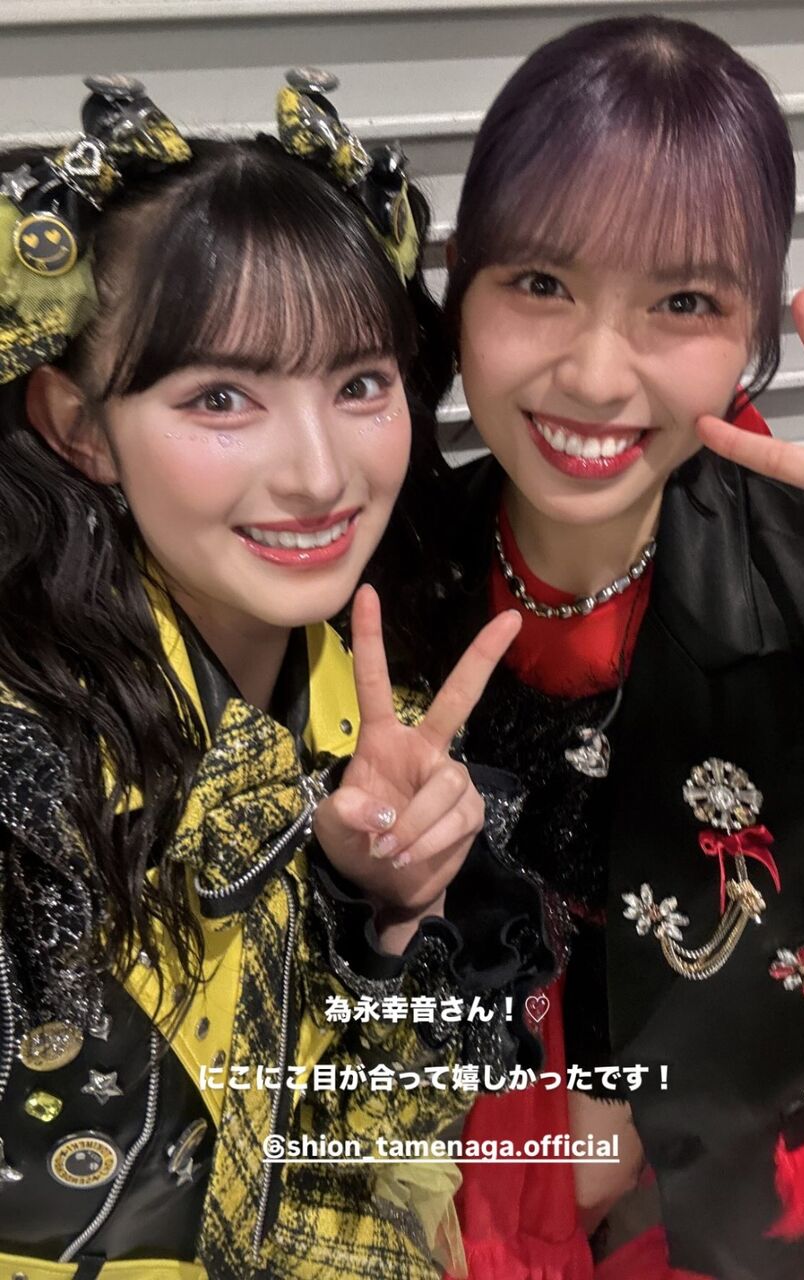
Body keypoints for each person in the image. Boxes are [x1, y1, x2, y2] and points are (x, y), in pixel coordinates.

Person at [0, 73, 553, 1278]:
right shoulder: (21, 776)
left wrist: (394, 911)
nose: (318, 474)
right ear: (79, 427)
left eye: (360, 384)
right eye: (221, 396)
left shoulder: (388, 723)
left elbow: (380, 1163)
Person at [387, 16, 804, 1280]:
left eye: (682, 301)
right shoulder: (379, 560)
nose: (595, 376)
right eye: (540, 282)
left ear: (749, 332)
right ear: (460, 287)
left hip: (749, 1198)